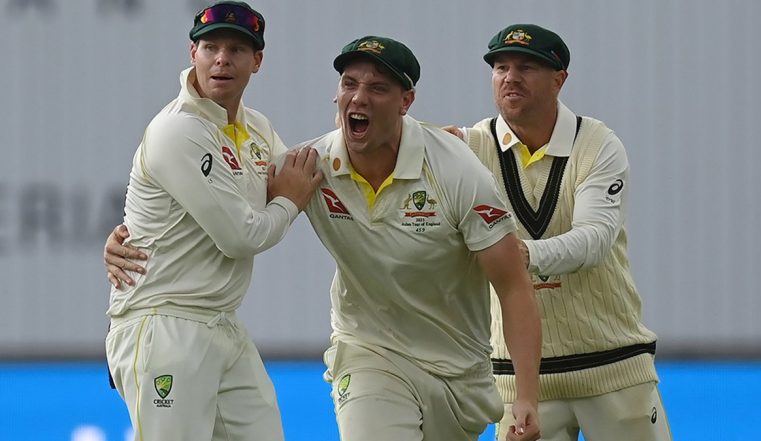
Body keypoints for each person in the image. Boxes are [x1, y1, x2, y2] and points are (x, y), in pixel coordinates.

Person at [106, 35, 543, 441]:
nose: (359, 97)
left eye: (378, 88)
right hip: (369, 354)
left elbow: (512, 284)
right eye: (349, 83)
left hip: (457, 371)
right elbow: (228, 209)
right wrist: (136, 241)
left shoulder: (454, 169)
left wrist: (525, 397)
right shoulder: (316, 165)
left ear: (406, 101)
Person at [103, 2, 322, 440]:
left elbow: (314, 168)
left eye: (237, 49)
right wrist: (289, 203)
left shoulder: (254, 127)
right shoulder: (177, 130)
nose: (222, 58)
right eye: (210, 47)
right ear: (193, 54)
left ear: (257, 61)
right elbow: (240, 237)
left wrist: (429, 142)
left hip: (221, 322)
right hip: (164, 322)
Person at [444, 24, 672, 441]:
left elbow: (595, 239)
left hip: (613, 368)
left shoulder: (598, 144)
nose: (509, 77)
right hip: (520, 382)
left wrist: (521, 256)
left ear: (559, 78)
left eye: (526, 67)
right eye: (500, 66)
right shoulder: (468, 148)